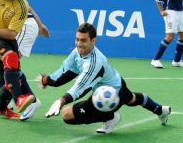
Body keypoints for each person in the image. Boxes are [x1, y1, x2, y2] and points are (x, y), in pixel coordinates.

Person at [36, 22, 171, 134]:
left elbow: (81, 87)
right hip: (117, 82)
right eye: (77, 39)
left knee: (66, 115)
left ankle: (110, 117)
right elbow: (65, 71)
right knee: (132, 99)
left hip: (108, 96)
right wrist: (47, 80)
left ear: (93, 40)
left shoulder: (94, 63)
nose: (78, 44)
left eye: (83, 40)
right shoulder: (77, 52)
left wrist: (61, 101)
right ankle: (161, 110)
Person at [151, 0, 183, 68]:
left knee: (182, 36)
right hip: (170, 12)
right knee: (170, 37)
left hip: (181, 12)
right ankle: (155, 59)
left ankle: (177, 61)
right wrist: (161, 11)